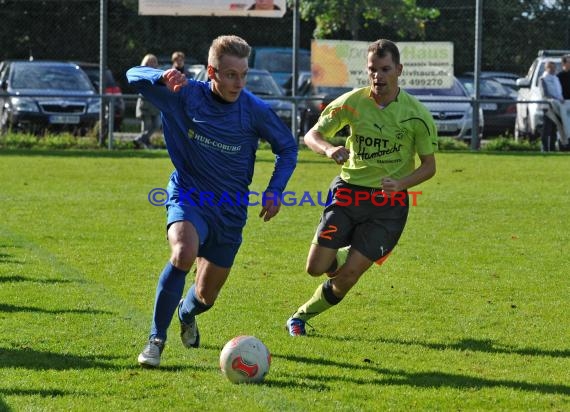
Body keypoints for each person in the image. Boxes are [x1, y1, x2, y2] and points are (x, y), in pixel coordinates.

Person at [127, 35, 298, 367]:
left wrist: (275, 189)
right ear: (211, 72)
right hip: (190, 194)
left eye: (243, 74)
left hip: (230, 212)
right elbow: (133, 75)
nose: (238, 82)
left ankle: (186, 313)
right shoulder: (185, 95)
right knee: (183, 253)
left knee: (206, 296)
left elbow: (288, 148)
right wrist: (159, 75)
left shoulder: (254, 110)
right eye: (230, 74)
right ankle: (155, 341)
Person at [285, 39, 437, 337]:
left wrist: (402, 184)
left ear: (399, 70)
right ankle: (339, 256)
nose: (378, 76)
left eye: (385, 69)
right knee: (316, 267)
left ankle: (300, 317)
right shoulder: (352, 103)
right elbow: (311, 135)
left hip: (387, 206)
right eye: (372, 69)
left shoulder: (416, 115)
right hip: (347, 193)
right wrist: (329, 149)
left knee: (349, 275)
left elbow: (429, 166)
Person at [134, 54, 161, 149]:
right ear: (146, 63)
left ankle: (139, 140)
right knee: (146, 127)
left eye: (155, 61)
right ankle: (142, 142)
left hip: (155, 106)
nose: (153, 63)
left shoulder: (159, 73)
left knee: (157, 124)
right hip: (145, 105)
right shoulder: (141, 73)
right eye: (151, 61)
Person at [540, 61, 565, 152]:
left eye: (554, 67)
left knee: (554, 128)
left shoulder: (556, 78)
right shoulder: (543, 79)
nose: (553, 69)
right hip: (548, 107)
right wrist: (556, 99)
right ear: (546, 68)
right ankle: (545, 148)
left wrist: (560, 99)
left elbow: (559, 92)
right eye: (550, 67)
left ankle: (552, 148)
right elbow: (545, 94)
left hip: (557, 106)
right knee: (547, 128)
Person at [557, 55, 570, 150]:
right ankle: (563, 145)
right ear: (564, 63)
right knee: (564, 125)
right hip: (563, 103)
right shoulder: (559, 76)